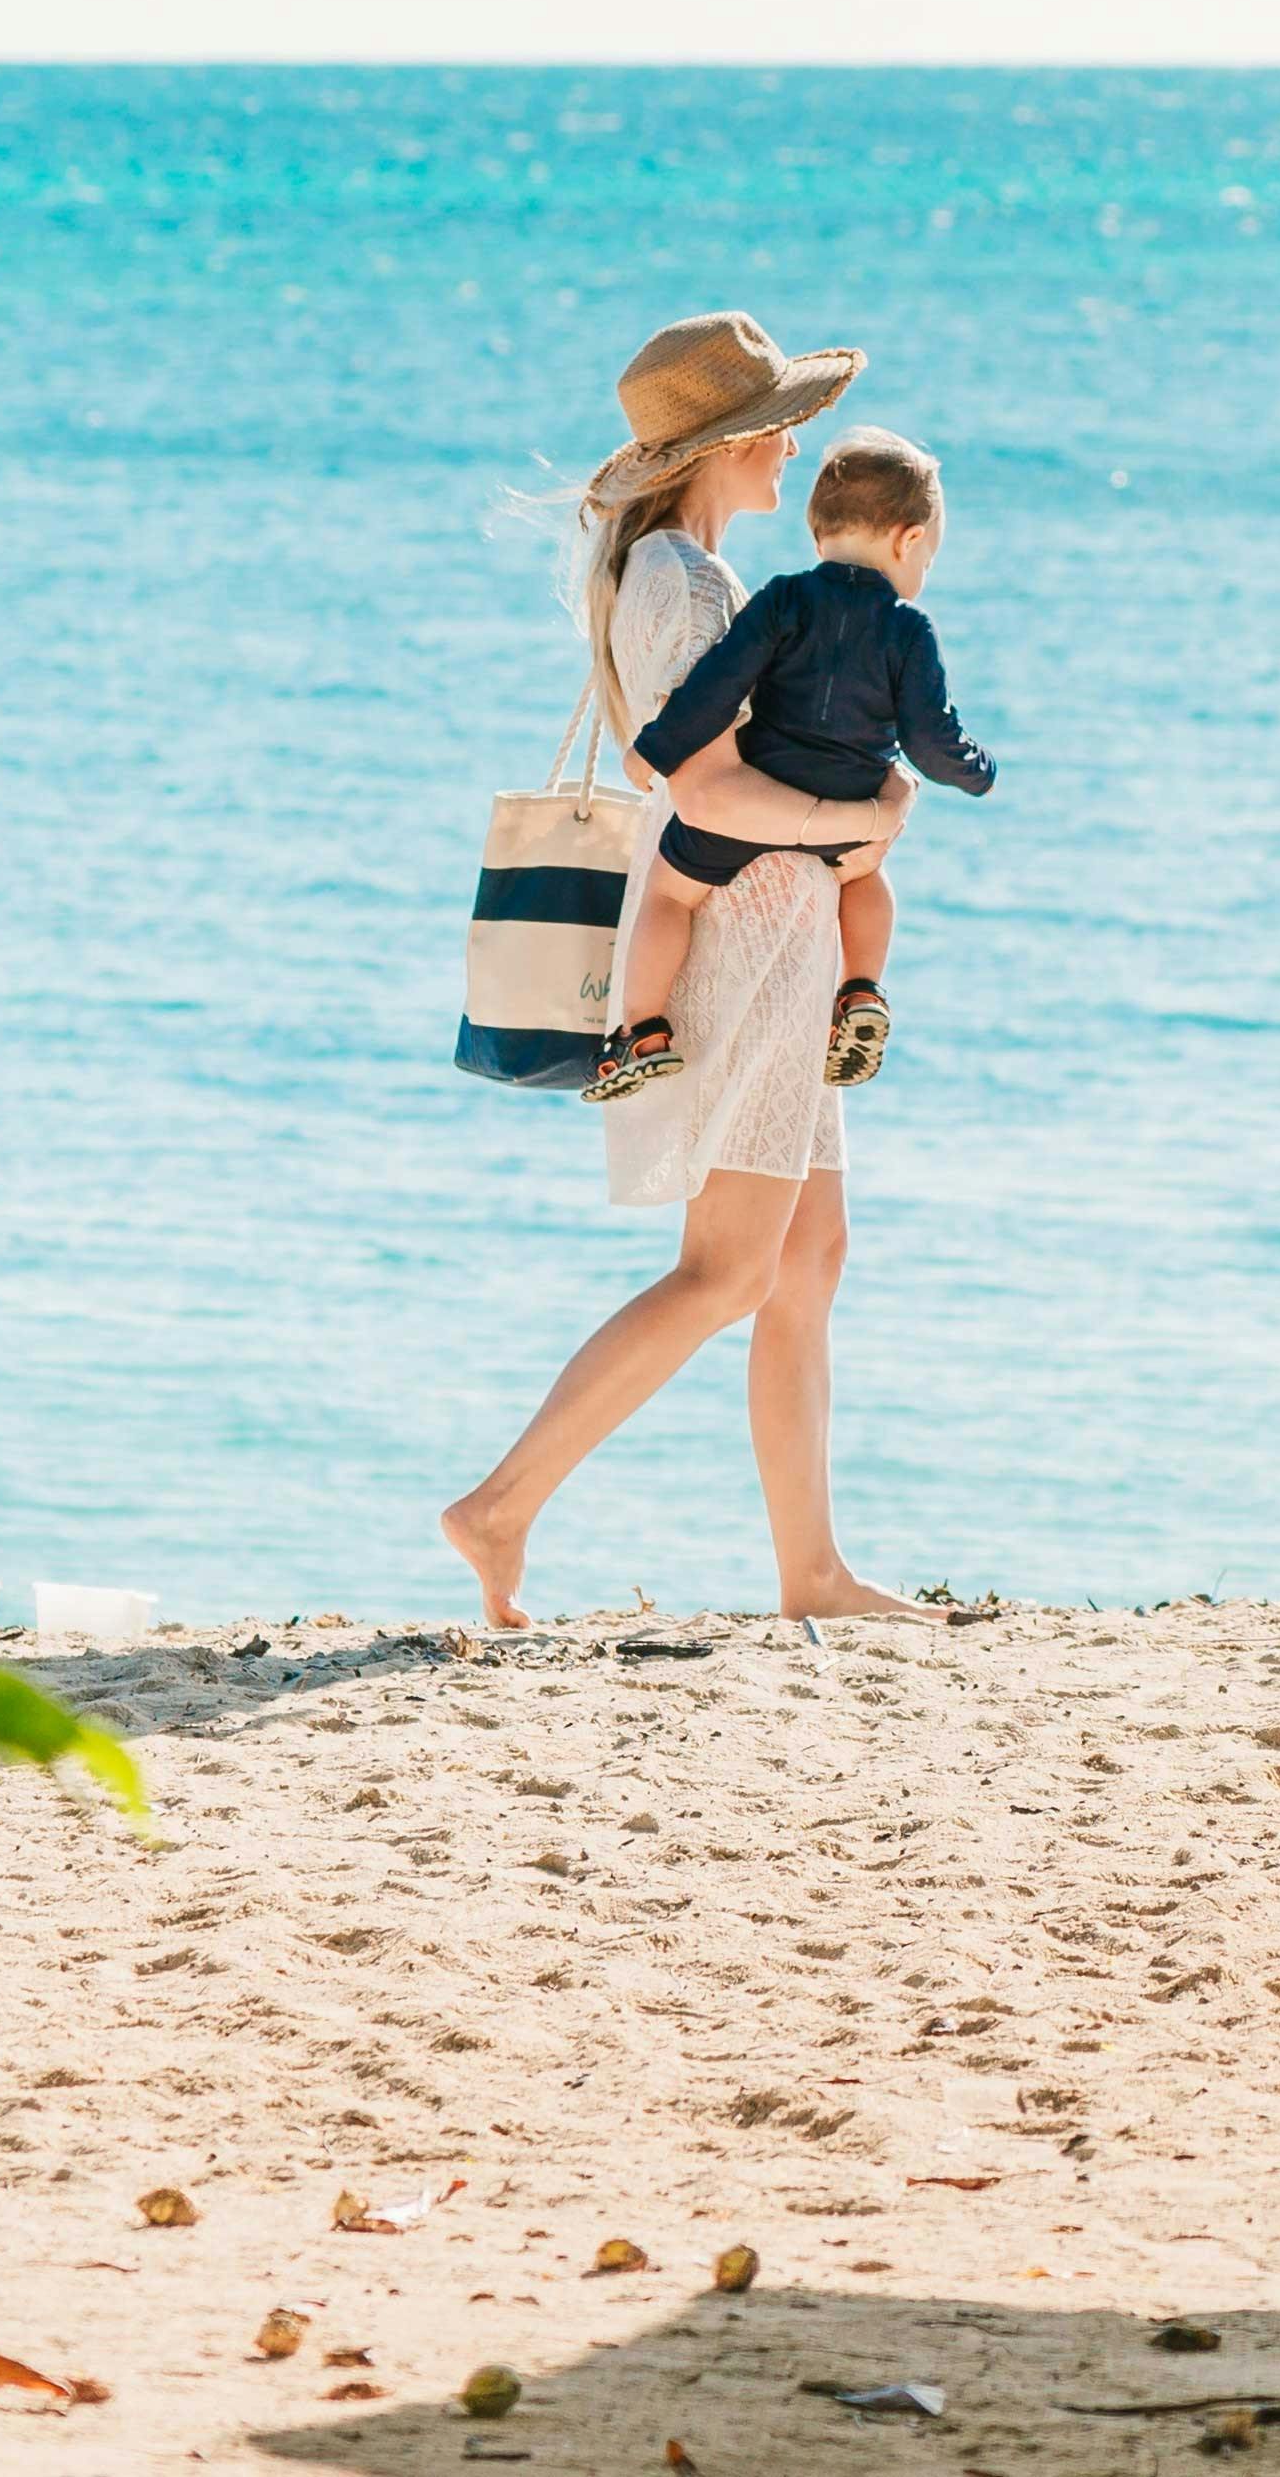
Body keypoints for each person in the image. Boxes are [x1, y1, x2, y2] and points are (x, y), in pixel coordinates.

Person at [442, 310, 942, 1631]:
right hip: (746, 939)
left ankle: (811, 1571)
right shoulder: (683, 582)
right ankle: (500, 1506)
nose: (794, 449)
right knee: (725, 1269)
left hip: (776, 932)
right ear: (726, 443)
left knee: (808, 1256)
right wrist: (865, 819)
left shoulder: (686, 573)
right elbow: (708, 788)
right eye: (778, 427)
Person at [591, 427, 987, 1103]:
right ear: (909, 540)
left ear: (816, 532)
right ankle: (861, 989)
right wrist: (977, 771)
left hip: (758, 796)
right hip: (848, 805)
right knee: (865, 875)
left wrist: (652, 750)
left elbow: (713, 692)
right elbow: (930, 739)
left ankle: (642, 1031)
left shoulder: (779, 599)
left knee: (669, 894)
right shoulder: (910, 629)